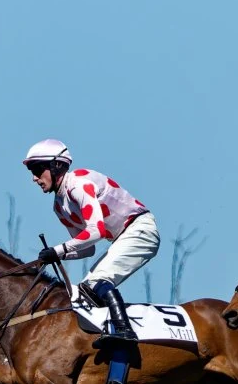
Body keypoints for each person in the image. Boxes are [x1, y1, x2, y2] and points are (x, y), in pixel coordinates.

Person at [24, 139, 159, 347]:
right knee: (84, 291)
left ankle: (125, 331)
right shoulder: (59, 206)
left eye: (38, 170)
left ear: (56, 166)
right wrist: (56, 255)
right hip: (123, 237)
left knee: (97, 282)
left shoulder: (77, 184)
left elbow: (96, 231)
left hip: (140, 229)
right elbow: (88, 248)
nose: (34, 178)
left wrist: (58, 250)